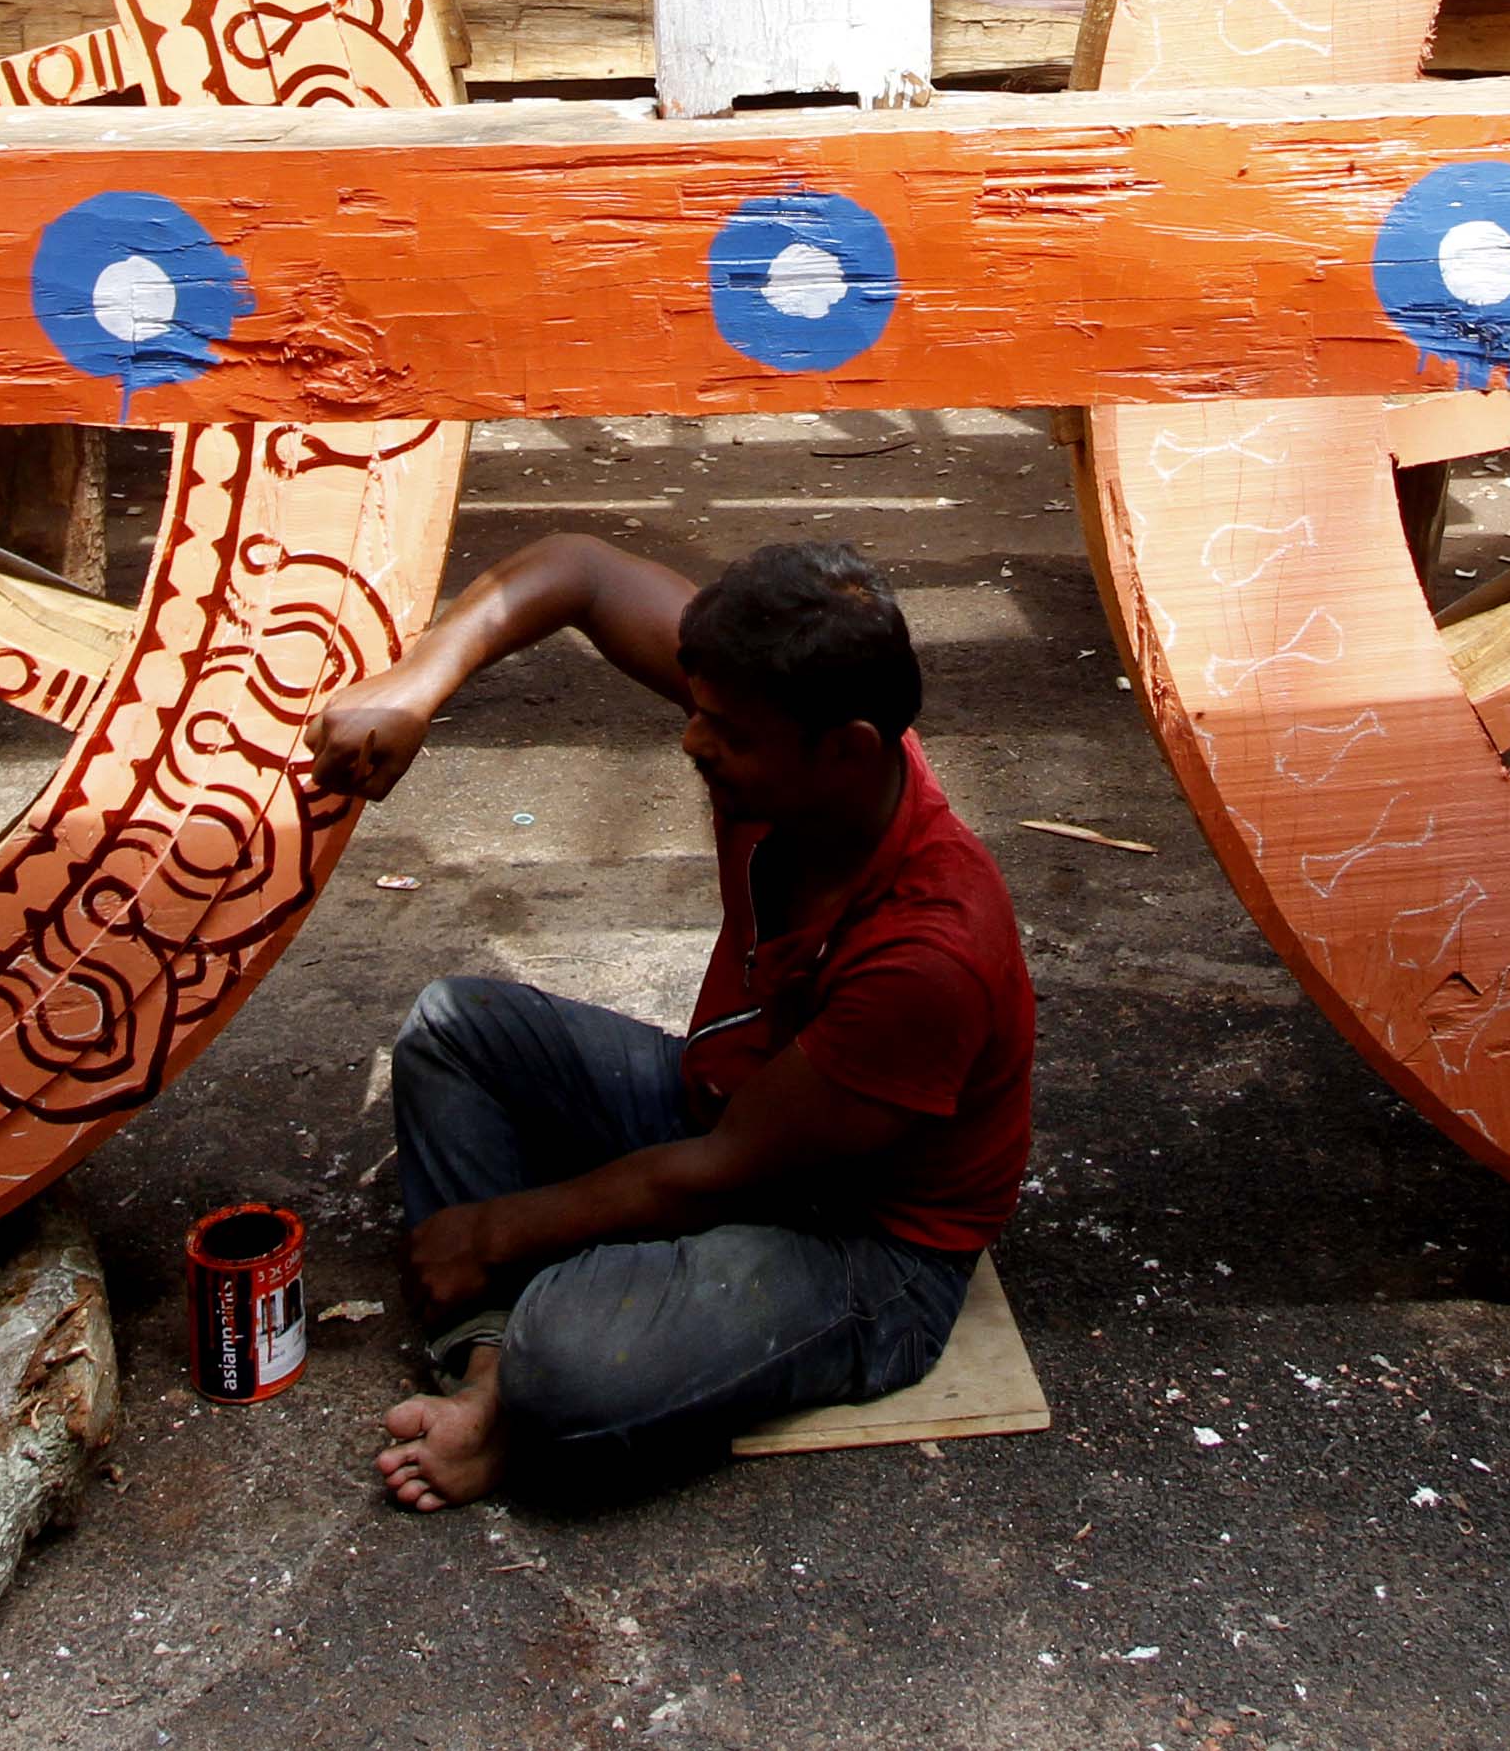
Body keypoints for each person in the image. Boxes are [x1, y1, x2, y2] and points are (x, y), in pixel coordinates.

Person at [306, 536, 1032, 1510]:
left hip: (864, 1239)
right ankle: (490, 1377)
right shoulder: (789, 714)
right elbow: (580, 573)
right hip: (739, 1104)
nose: (693, 743)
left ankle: (519, 1384)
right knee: (455, 1030)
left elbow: (722, 1172)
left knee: (571, 1357)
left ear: (847, 751)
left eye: (724, 732)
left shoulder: (932, 950)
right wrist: (415, 686)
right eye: (696, 711)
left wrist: (495, 1229)